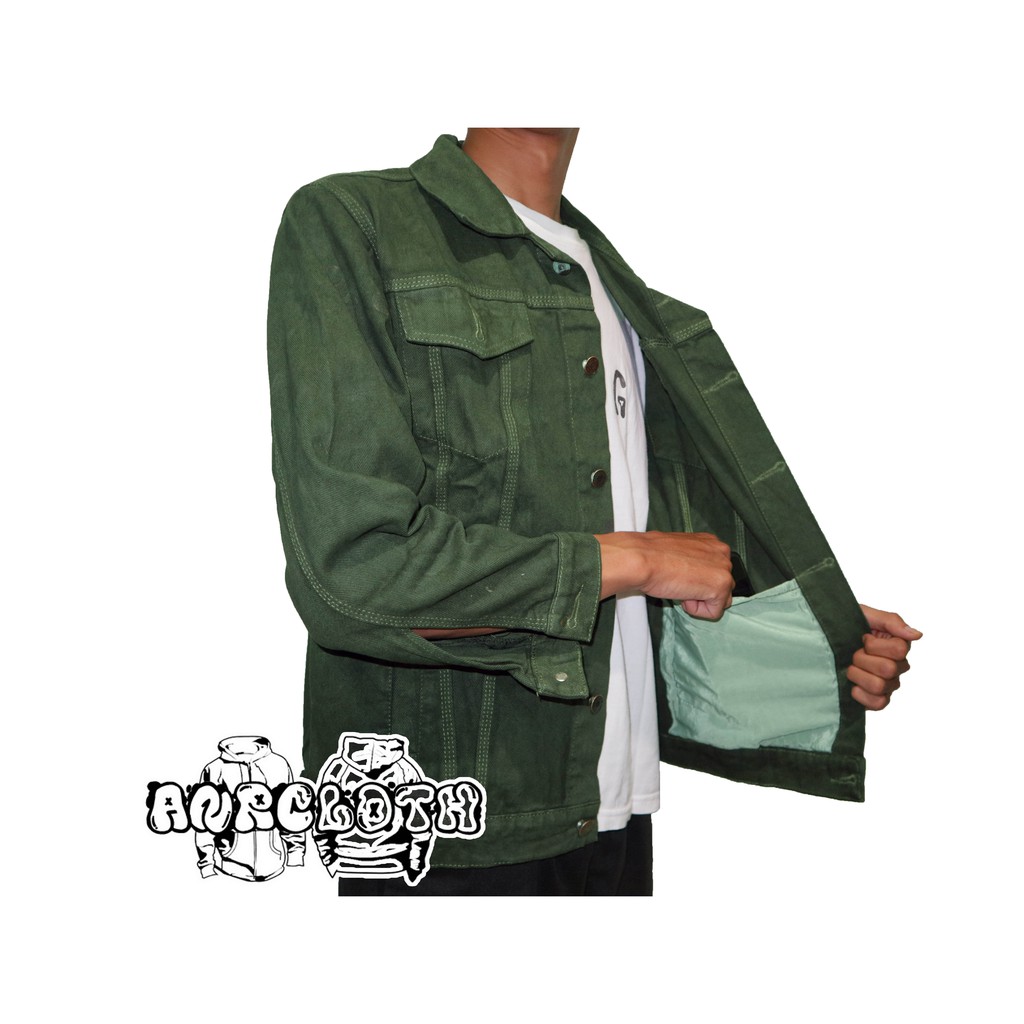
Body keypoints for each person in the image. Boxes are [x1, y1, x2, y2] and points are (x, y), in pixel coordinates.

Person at [267, 128, 921, 896]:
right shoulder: (354, 222)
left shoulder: (613, 289)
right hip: (448, 826)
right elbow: (352, 573)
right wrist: (639, 558)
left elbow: (646, 584)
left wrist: (810, 637)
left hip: (615, 810)